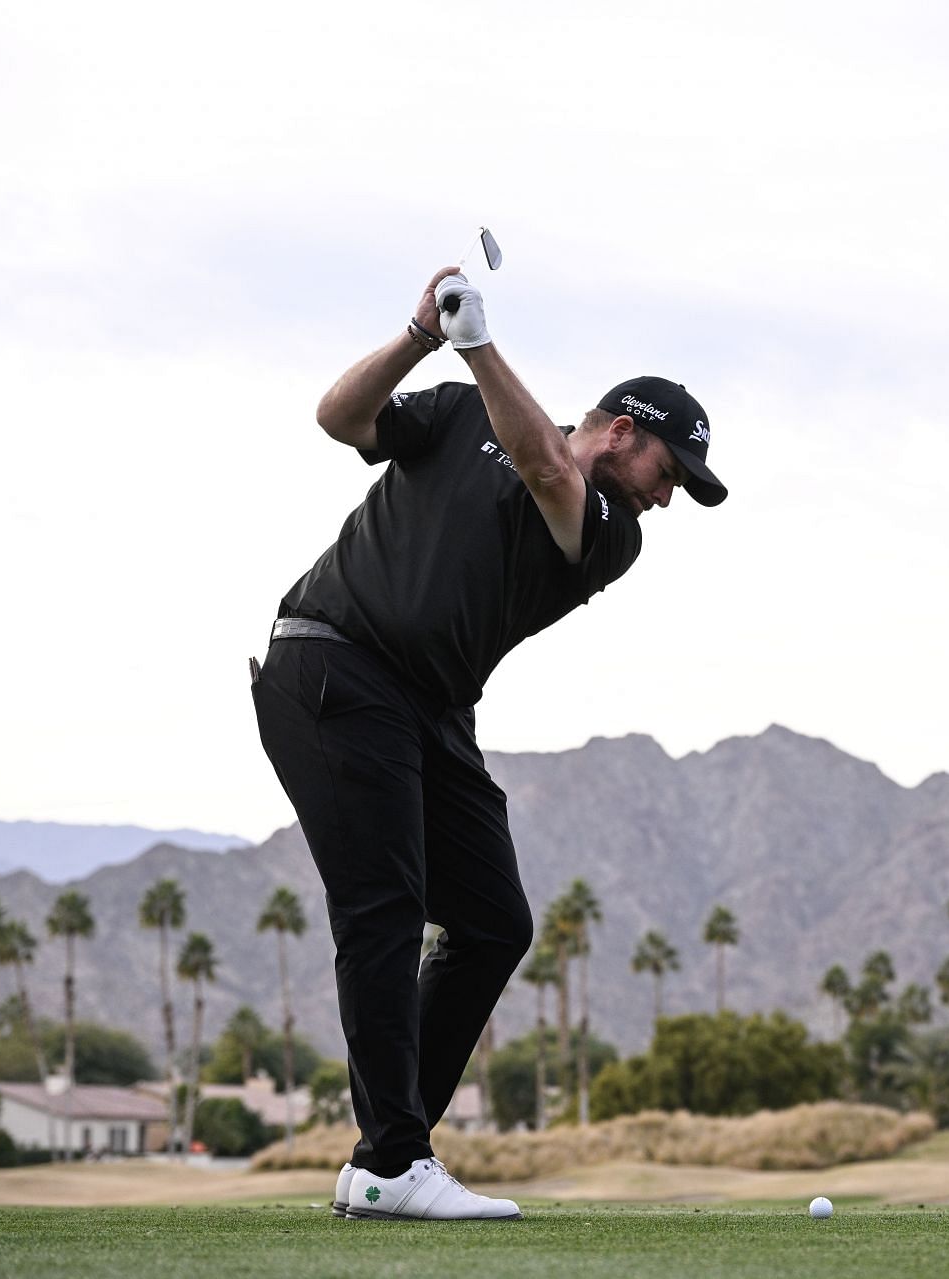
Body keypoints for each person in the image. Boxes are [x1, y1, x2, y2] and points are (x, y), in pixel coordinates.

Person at [252, 266, 727, 1221]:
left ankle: (387, 1153)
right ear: (624, 432)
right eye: (668, 473)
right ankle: (394, 1160)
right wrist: (421, 335)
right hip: (335, 665)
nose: (668, 498)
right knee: (382, 910)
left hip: (427, 709)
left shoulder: (610, 530)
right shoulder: (463, 409)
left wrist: (476, 343)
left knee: (492, 919)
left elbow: (549, 465)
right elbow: (340, 418)